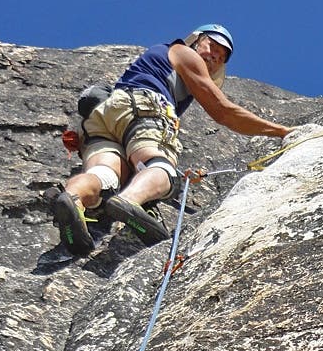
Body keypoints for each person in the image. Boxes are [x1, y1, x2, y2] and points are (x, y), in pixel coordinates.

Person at [53, 24, 291, 255]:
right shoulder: (183, 53)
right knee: (161, 167)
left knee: (105, 174)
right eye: (211, 47)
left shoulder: (157, 61)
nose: (213, 57)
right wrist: (281, 131)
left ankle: (73, 200)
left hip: (105, 117)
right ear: (196, 40)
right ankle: (129, 201)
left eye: (220, 57)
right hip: (143, 107)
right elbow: (223, 111)